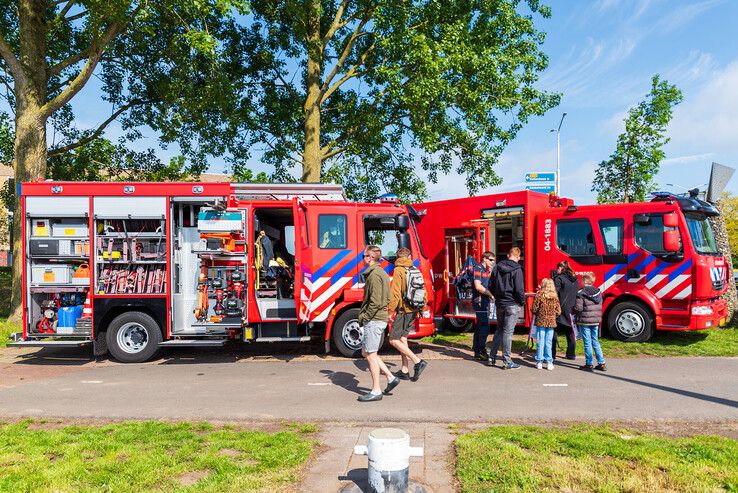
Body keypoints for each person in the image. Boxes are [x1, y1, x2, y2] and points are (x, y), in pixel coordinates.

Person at [357, 245, 400, 402]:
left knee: (371, 355)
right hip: (378, 318)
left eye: (363, 256)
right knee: (366, 352)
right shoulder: (380, 272)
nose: (362, 259)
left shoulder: (374, 275)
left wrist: (365, 317)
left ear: (369, 258)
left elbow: (375, 302)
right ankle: (390, 377)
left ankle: (376, 391)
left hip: (374, 319)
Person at [388, 247, 428, 381]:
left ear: (398, 257)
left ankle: (417, 361)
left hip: (404, 310)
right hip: (415, 309)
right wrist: (421, 309)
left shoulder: (399, 270)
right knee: (403, 338)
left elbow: (395, 293)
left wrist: (390, 311)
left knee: (393, 339)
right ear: (409, 257)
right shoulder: (415, 269)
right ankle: (405, 369)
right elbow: (424, 291)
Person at [489, 247, 525, 369]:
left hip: (500, 303)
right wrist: (522, 302)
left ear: (508, 255)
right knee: (508, 332)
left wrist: (496, 296)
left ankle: (492, 357)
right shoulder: (517, 269)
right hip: (512, 303)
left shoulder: (497, 267)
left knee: (499, 330)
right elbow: (519, 289)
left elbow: (491, 284)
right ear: (518, 257)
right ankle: (507, 361)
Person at [574, 272, 606, 371]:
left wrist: (573, 310)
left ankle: (589, 363)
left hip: (585, 321)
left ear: (585, 281)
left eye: (582, 280)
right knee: (595, 341)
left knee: (587, 342)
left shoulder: (581, 293)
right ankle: (601, 362)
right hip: (595, 321)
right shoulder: (598, 292)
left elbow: (578, 308)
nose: (581, 282)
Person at [531, 278, 560, 370]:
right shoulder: (555, 296)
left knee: (540, 341)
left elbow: (534, 309)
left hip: (541, 321)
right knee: (549, 342)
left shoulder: (539, 295)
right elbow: (558, 311)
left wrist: (538, 313)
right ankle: (549, 362)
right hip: (551, 322)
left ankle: (539, 362)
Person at [471, 252, 495, 361]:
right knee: (484, 326)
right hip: (480, 301)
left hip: (485, 300)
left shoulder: (487, 270)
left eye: (493, 260)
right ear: (484, 259)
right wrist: (491, 295)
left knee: (480, 325)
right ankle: (480, 350)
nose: (492, 262)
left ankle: (477, 350)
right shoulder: (478, 268)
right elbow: (478, 286)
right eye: (490, 260)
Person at [554, 260, 579, 360]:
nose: (556, 270)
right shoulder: (575, 280)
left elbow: (554, 293)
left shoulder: (559, 279)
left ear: (561, 268)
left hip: (561, 308)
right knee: (570, 331)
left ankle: (552, 354)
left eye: (558, 268)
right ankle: (571, 354)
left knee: (553, 331)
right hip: (571, 308)